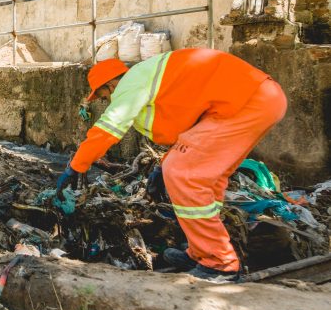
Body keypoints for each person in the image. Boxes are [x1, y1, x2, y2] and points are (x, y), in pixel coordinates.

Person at [55, 48, 287, 282]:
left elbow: (109, 128)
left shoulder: (130, 84)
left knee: (184, 174)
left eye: (104, 96)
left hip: (247, 102)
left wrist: (77, 165)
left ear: (112, 85)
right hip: (256, 100)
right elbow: (190, 134)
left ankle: (220, 264)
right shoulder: (152, 78)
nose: (106, 101)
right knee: (205, 178)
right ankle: (202, 251)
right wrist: (161, 166)